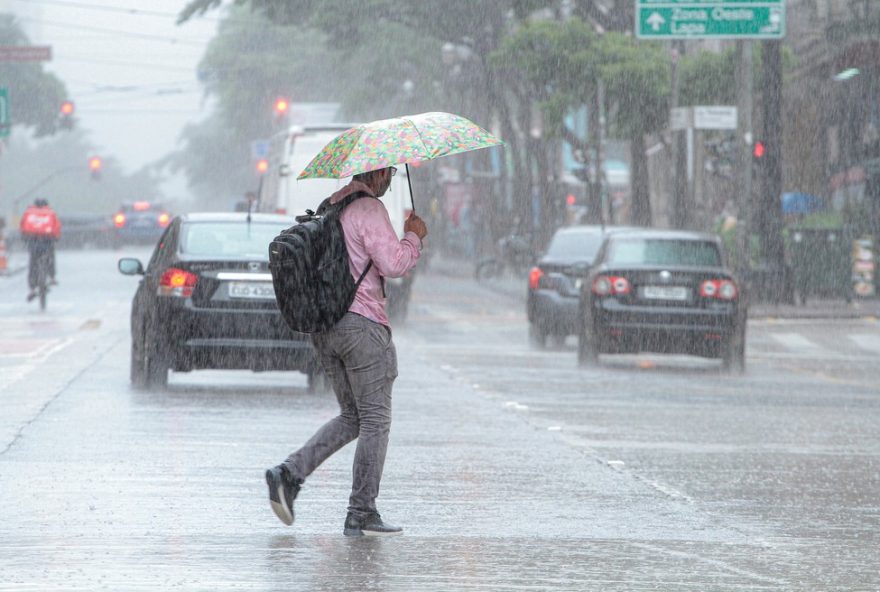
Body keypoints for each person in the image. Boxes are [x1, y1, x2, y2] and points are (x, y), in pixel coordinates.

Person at [265, 166, 428, 536]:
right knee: (375, 420)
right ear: (381, 171)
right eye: (388, 173)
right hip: (362, 326)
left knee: (353, 416)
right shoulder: (369, 209)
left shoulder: (333, 205)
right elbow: (394, 263)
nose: (389, 180)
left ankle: (289, 473)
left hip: (327, 326)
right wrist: (414, 238)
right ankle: (361, 511)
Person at [19, 198, 61, 301]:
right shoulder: (51, 213)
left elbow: (22, 226)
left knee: (33, 263)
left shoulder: (29, 212)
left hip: (32, 239)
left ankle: (32, 288)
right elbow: (57, 227)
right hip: (47, 239)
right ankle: (52, 277)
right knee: (50, 256)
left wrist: (24, 237)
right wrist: (56, 237)